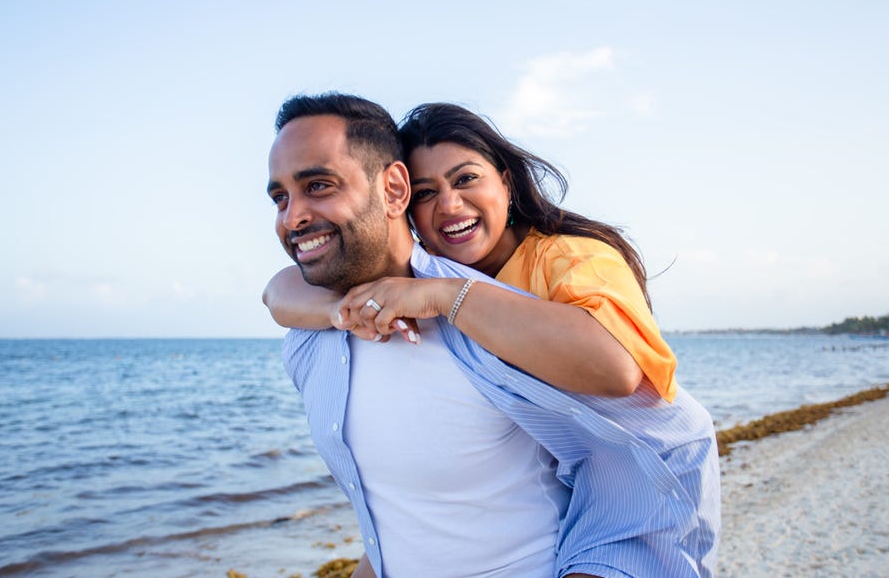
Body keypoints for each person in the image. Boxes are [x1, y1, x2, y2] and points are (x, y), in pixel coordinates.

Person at [266, 93, 719, 578]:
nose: (293, 217)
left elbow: (660, 420)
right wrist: (345, 309)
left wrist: (446, 298)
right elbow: (403, 517)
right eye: (280, 198)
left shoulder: (525, 289)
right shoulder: (314, 334)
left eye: (319, 184)